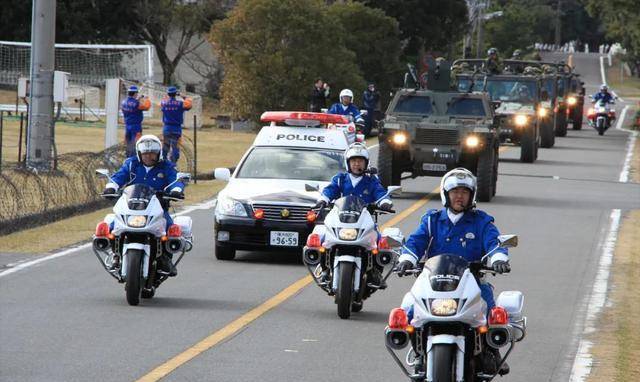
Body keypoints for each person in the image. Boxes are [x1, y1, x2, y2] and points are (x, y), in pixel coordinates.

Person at [395, 167, 510, 374]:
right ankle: (419, 351)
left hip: (472, 280)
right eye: (455, 192)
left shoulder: (481, 221)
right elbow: (415, 241)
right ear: (446, 194)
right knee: (408, 312)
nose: (459, 196)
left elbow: (494, 243)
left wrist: (499, 258)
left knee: (491, 311)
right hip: (432, 280)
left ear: (471, 196)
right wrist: (406, 258)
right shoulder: (432, 220)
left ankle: (492, 351)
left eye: (464, 192)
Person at [103, 134, 185, 276]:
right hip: (131, 206)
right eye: (145, 153)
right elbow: (119, 176)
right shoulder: (131, 164)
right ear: (139, 153)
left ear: (158, 153)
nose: (148, 156)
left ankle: (165, 258)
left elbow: (176, 180)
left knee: (170, 229)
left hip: (157, 207)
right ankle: (115, 254)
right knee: (112, 227)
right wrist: (111, 186)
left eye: (152, 153)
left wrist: (177, 190)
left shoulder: (166, 166)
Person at [314, 142, 393, 286]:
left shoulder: (371, 181)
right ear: (348, 163)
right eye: (354, 161)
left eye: (360, 161)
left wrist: (385, 202)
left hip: (364, 220)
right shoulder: (340, 179)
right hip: (341, 219)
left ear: (366, 163)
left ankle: (375, 272)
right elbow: (330, 190)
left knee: (380, 242)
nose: (357, 164)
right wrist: (323, 200)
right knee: (323, 239)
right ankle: (325, 270)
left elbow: (380, 193)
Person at [160, 86, 192, 163]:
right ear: (175, 94)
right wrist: (184, 97)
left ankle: (163, 161)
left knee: (166, 146)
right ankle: (173, 163)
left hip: (167, 128)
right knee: (175, 146)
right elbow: (189, 105)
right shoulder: (180, 104)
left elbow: (164, 100)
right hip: (176, 128)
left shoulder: (164, 103)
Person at [120, 85, 151, 156]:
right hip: (136, 126)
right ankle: (134, 159)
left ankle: (128, 159)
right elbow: (146, 107)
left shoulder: (123, 102)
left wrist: (137, 100)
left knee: (128, 144)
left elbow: (131, 106)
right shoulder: (137, 104)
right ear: (135, 93)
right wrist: (147, 99)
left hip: (127, 126)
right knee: (136, 144)